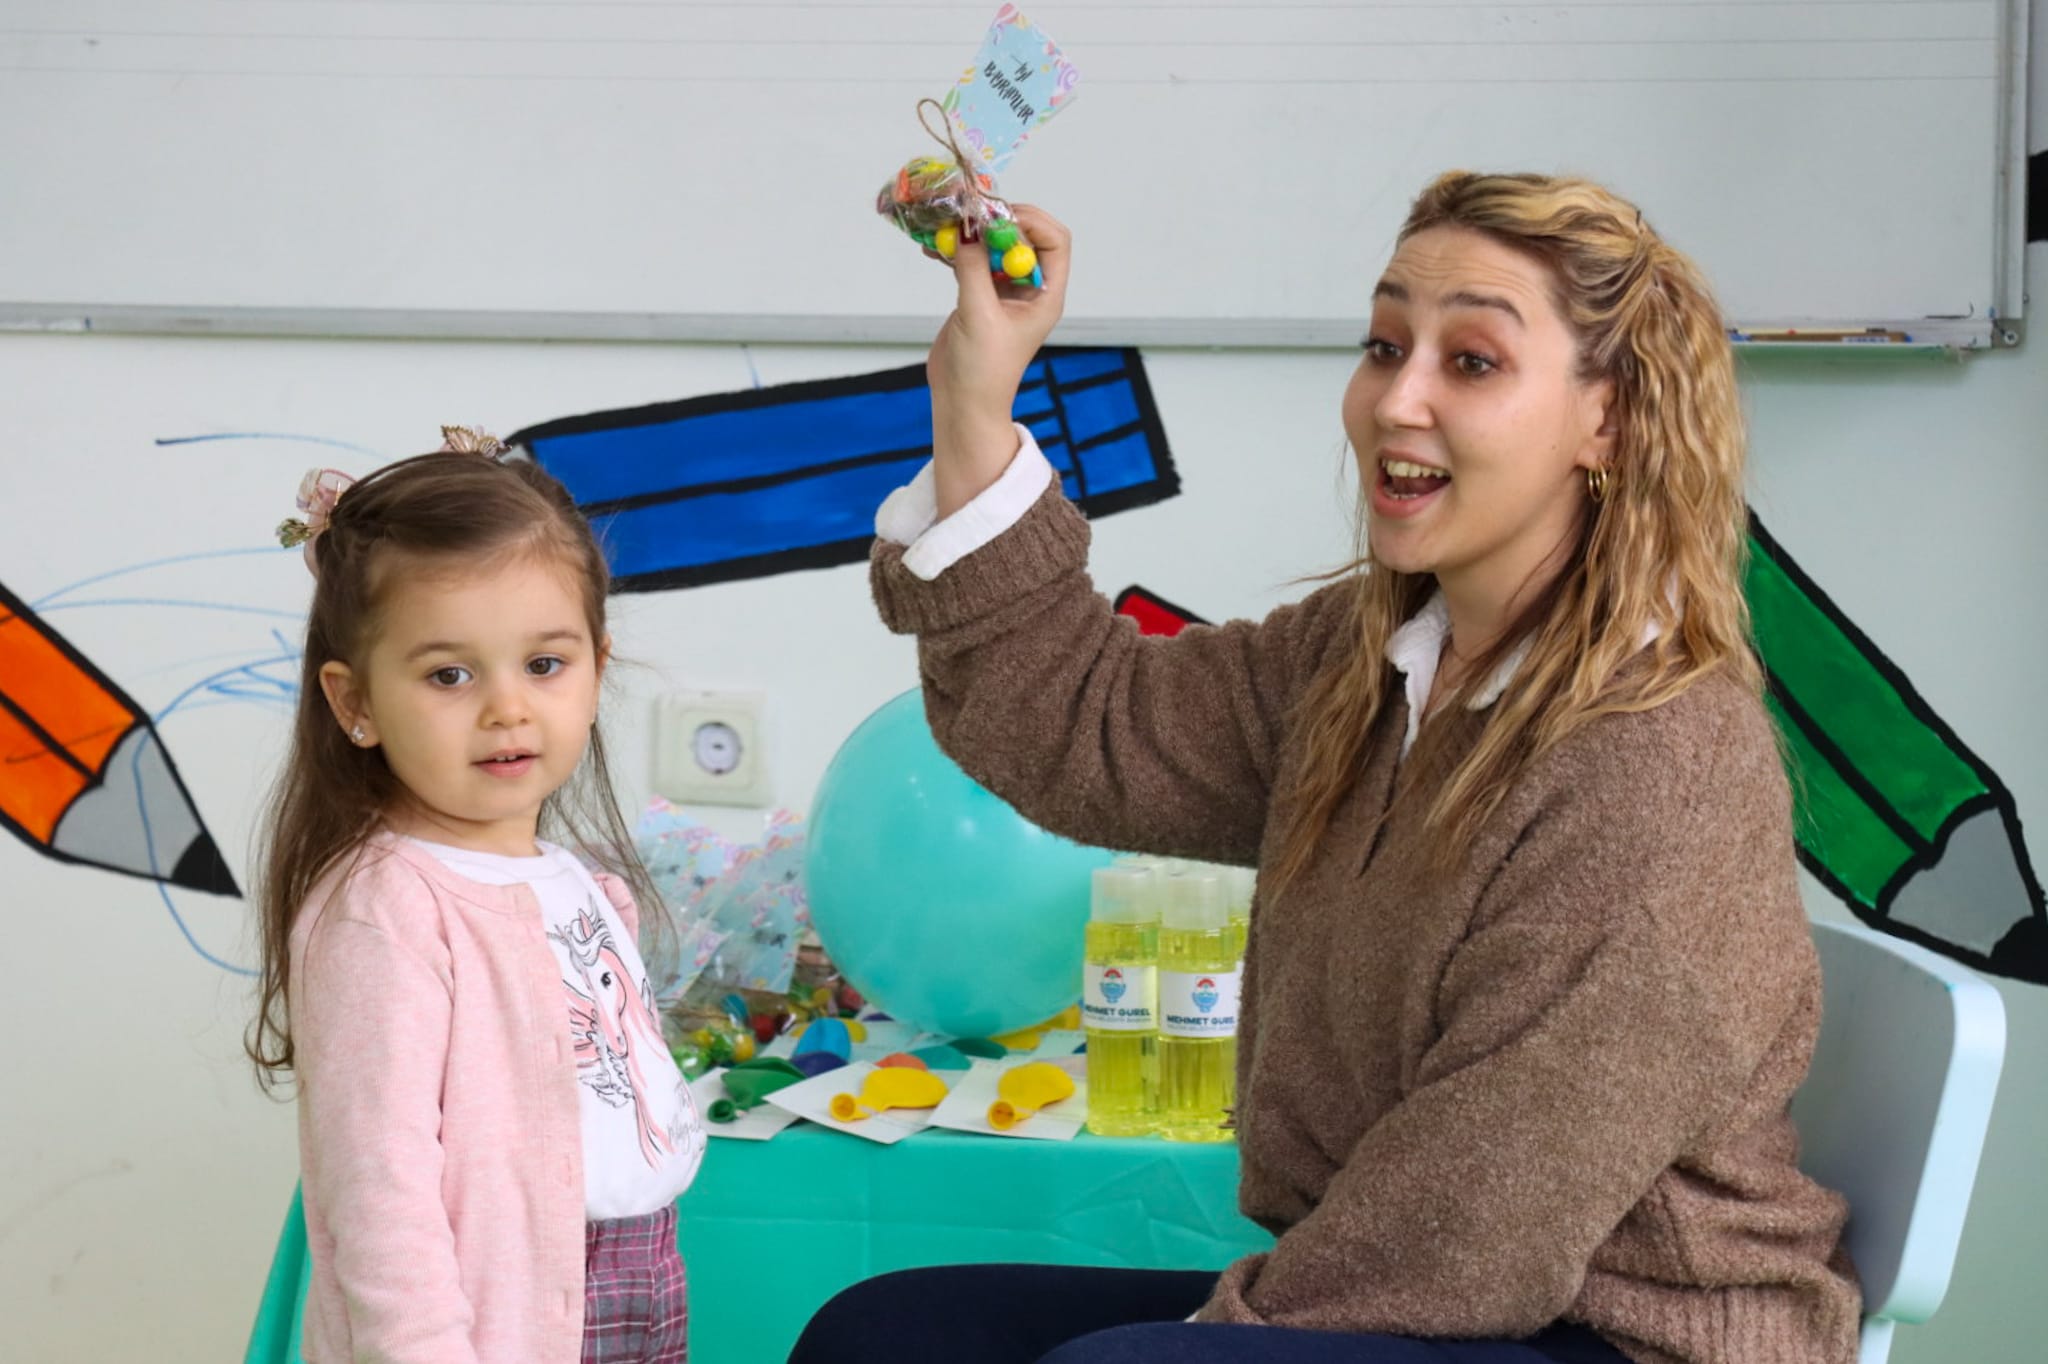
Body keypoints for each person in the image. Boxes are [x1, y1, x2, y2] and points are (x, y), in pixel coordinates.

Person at [790, 174, 1861, 1364]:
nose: (1396, 400)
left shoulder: (1659, 760)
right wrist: (974, 394)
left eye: (1471, 362)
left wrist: (1205, 1334)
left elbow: (1479, 1214)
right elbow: (1085, 724)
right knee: (883, 1336)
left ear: (1605, 420)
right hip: (1428, 1284)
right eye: (1384, 345)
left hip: (1619, 1330)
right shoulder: (1365, 662)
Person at [247, 428, 705, 1364]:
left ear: (598, 667)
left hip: (639, 1271)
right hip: (495, 1321)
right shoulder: (386, 908)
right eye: (449, 675)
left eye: (544, 664)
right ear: (355, 703)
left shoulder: (579, 882)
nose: (507, 708)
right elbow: (381, 1194)